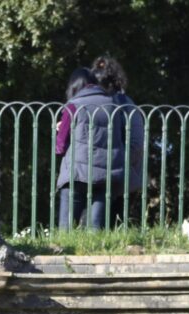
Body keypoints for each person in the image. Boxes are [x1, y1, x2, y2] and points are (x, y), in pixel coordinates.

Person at [55, 67, 117, 230]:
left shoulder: (73, 105)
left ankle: (66, 251)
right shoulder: (112, 104)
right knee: (95, 227)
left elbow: (60, 145)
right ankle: (94, 252)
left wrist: (59, 129)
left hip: (76, 173)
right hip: (106, 172)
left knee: (66, 229)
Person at [90, 55, 145, 216]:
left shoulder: (123, 103)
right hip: (109, 175)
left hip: (115, 176)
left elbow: (135, 143)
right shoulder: (125, 103)